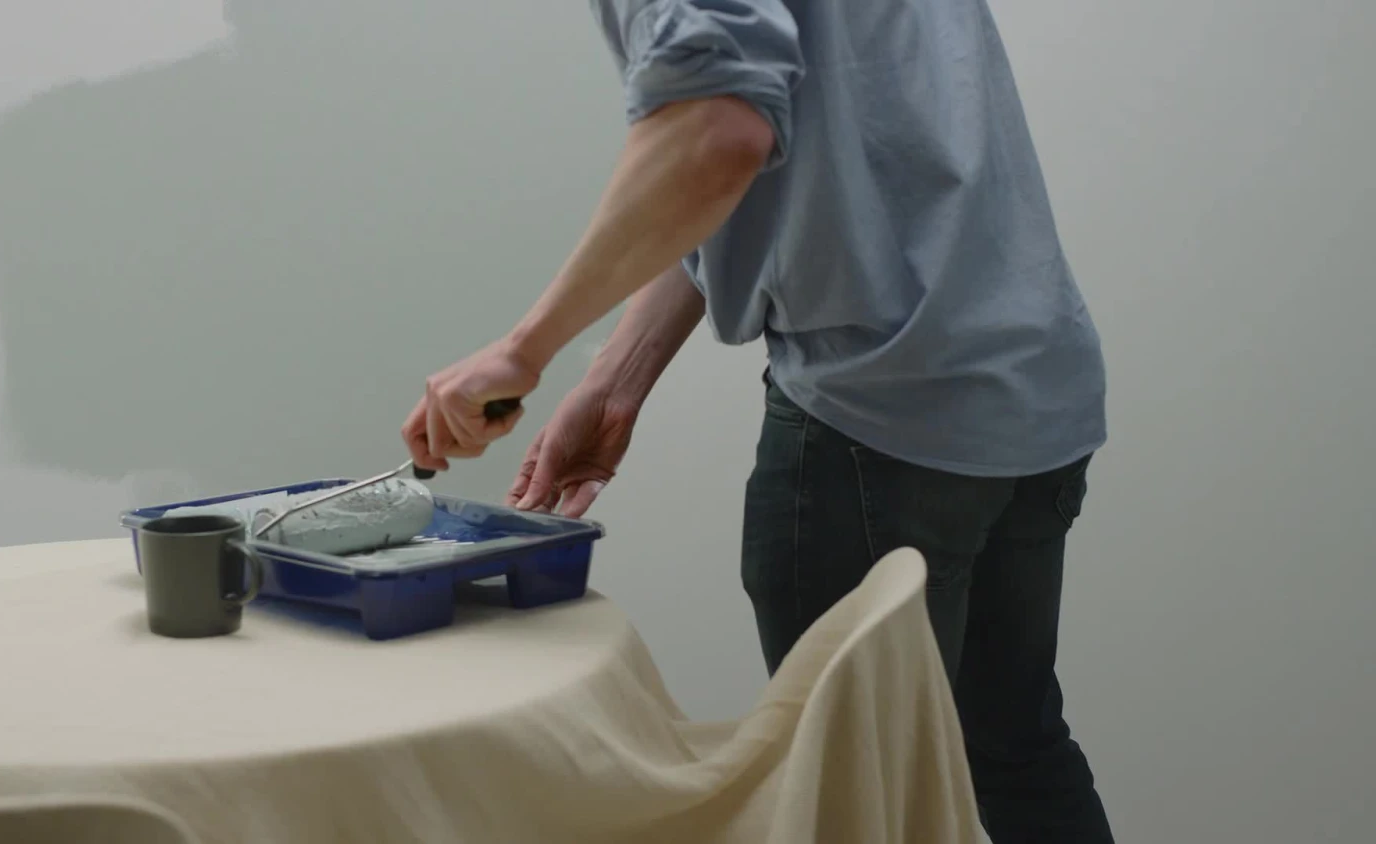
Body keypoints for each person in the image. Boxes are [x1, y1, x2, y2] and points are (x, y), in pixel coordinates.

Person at [401, 1, 1113, 840]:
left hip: (878, 423)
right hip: (1031, 381)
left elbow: (715, 135)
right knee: (1017, 754)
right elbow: (775, 148)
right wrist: (618, 377)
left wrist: (524, 349)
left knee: (854, 806)